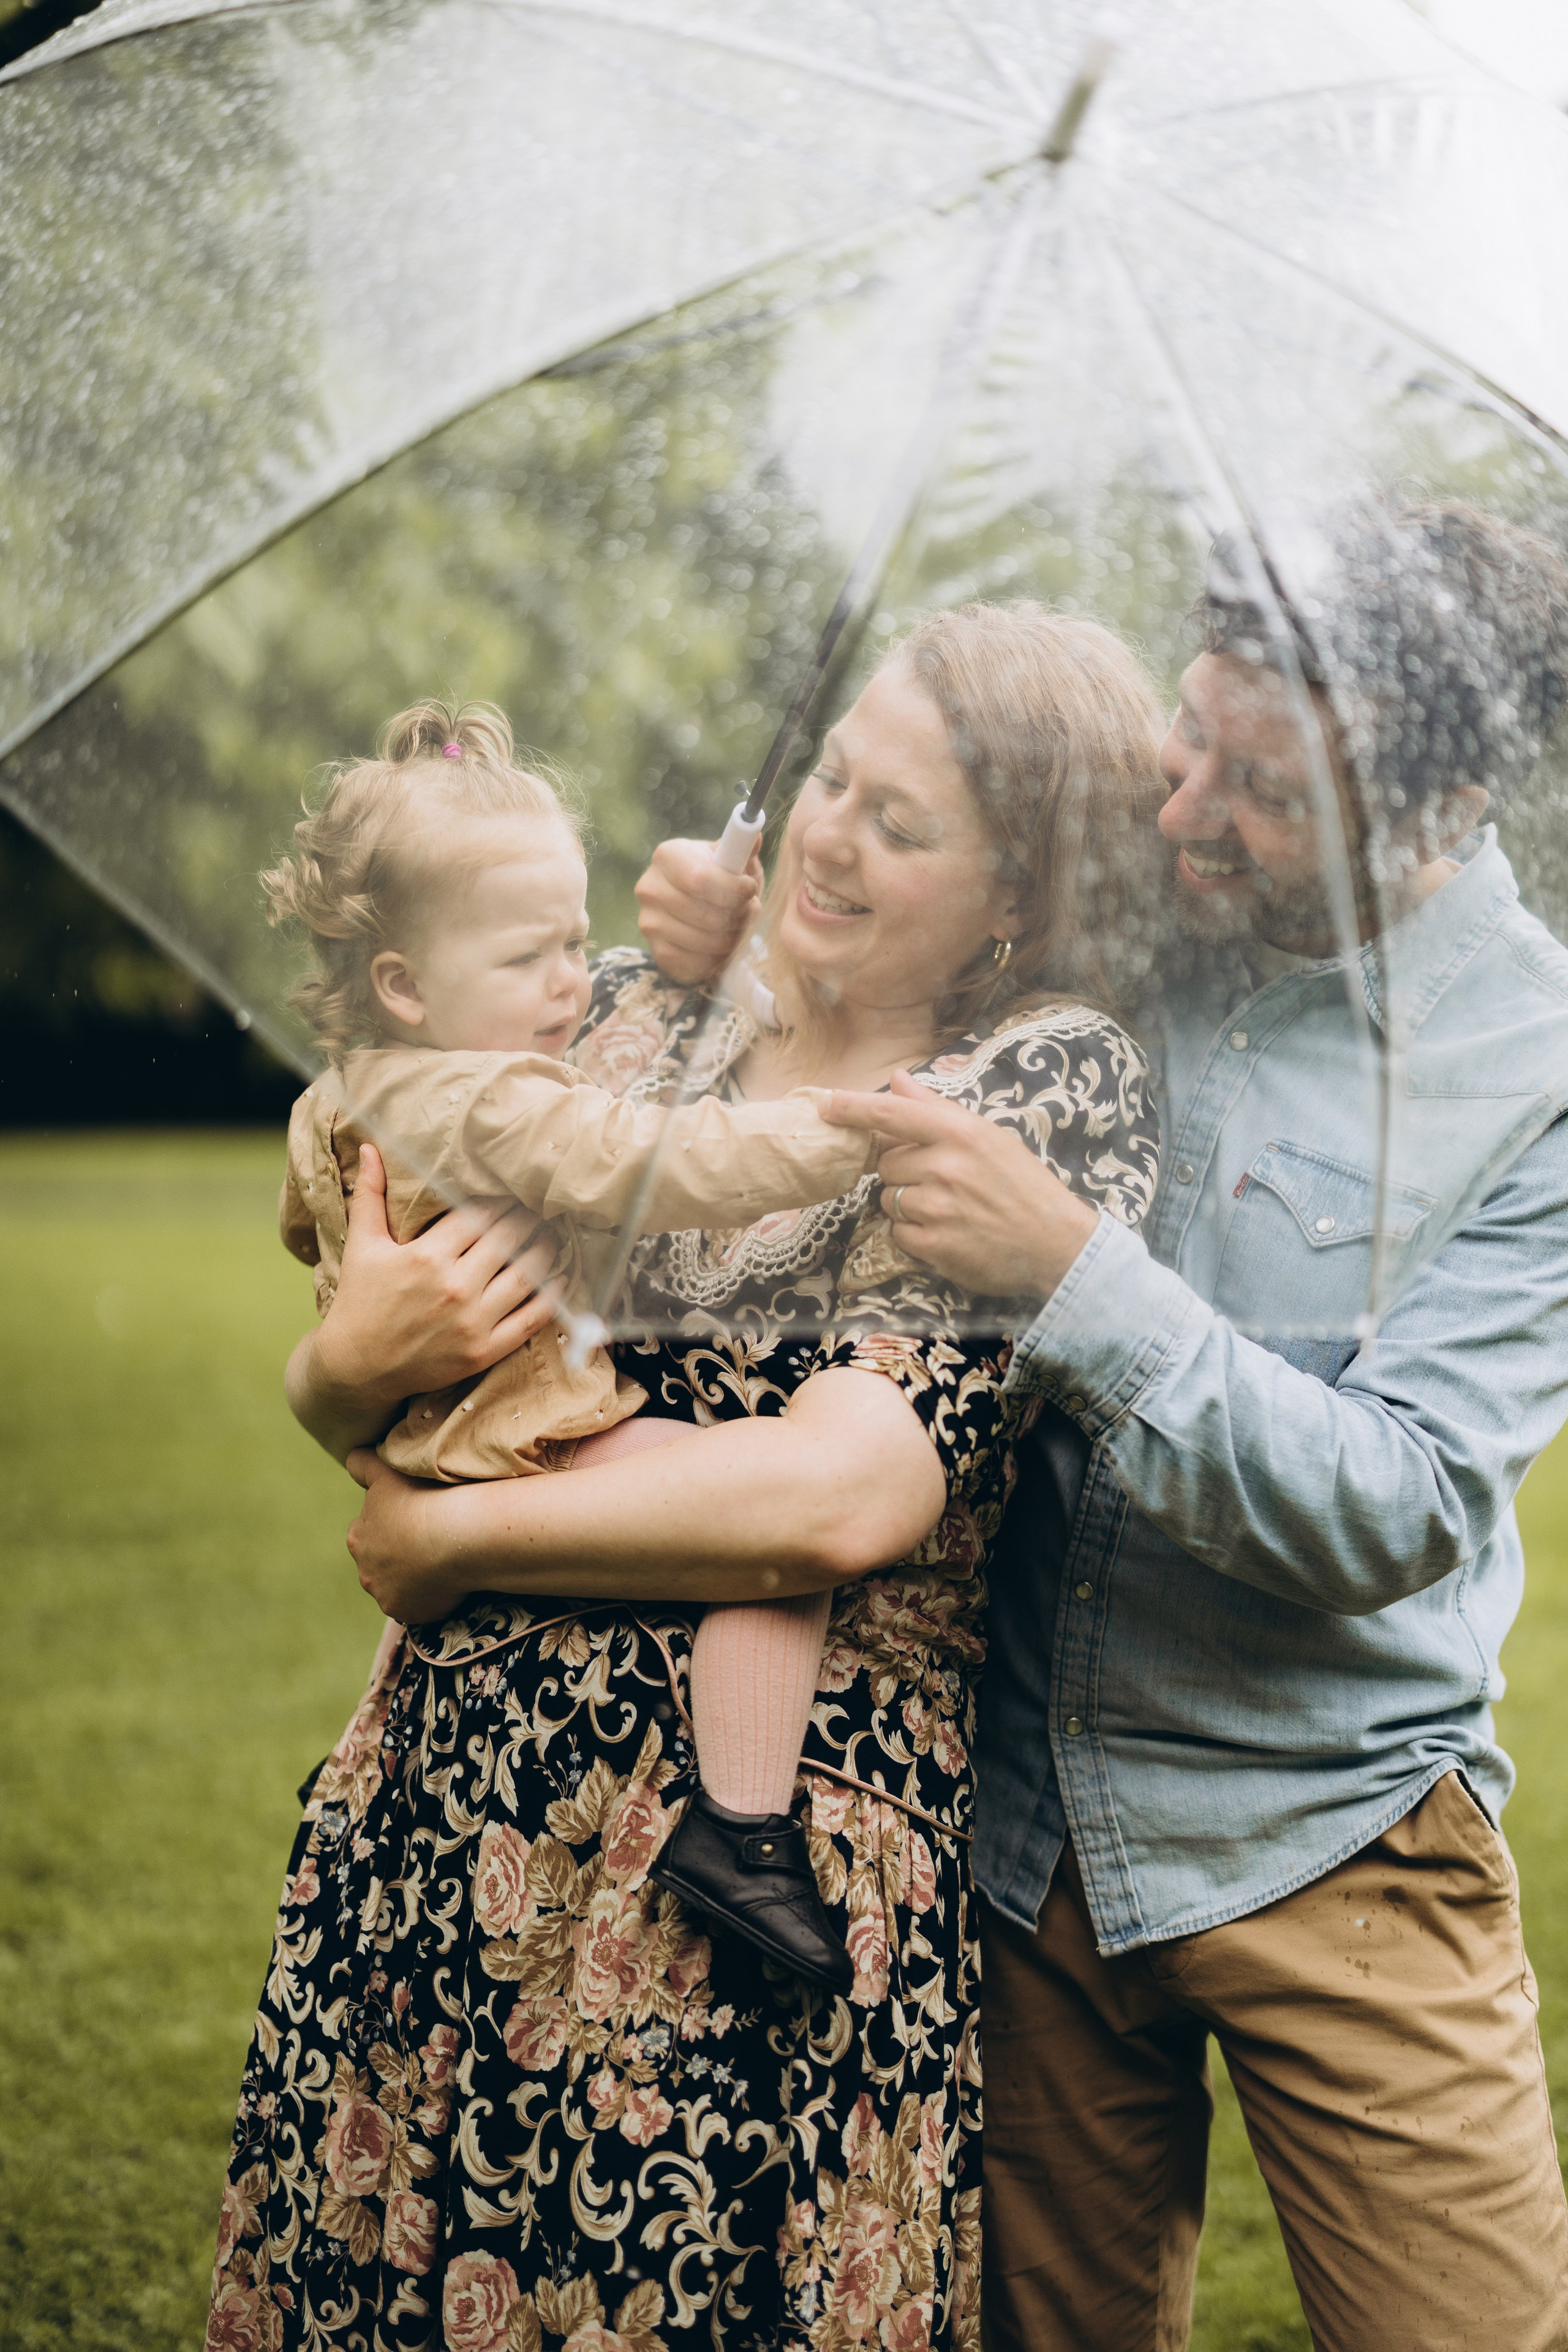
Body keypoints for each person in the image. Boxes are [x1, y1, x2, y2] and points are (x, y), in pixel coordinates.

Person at [206, 604, 1162, 2352]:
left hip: (742, 1901)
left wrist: (454, 1538)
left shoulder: (1035, 1085)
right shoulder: (650, 1012)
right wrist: (332, 1371)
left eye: (904, 821)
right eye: (834, 781)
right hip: (446, 1829)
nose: (831, 833)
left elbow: (841, 1499)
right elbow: (418, 1310)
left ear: (1020, 890)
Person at [753, 502, 1568, 2351]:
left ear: (1429, 812)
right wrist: (741, 944)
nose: (1184, 810)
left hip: (1342, 1838)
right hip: (1023, 1829)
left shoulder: (1540, 1076)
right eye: (1186, 742)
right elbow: (874, 979)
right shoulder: (1133, 908)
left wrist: (1077, 1280)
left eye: (1262, 791)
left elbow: (1407, 1502)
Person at [262, 696, 881, 1986]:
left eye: (578, 941)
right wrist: (848, 1131)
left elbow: (296, 1224)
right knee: (764, 1548)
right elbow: (660, 1161)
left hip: (421, 1434)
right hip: (513, 1437)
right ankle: (746, 1833)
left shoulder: (337, 1089)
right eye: (533, 957)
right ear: (405, 984)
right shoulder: (494, 1098)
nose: (571, 984)